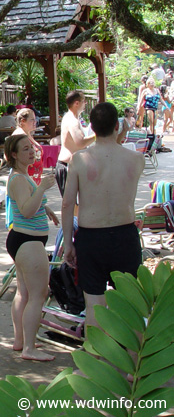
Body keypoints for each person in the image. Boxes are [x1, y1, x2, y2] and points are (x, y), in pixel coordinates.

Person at [61, 102, 144, 331]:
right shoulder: (136, 159)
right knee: (129, 304)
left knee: (94, 304)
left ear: (92, 129)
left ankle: (96, 362)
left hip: (91, 237)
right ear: (117, 125)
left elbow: (68, 204)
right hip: (125, 234)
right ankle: (130, 363)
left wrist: (68, 243)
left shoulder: (78, 159)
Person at [4, 134, 59, 362]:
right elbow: (26, 209)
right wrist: (43, 187)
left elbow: (28, 204)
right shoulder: (18, 178)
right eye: (25, 149)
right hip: (27, 241)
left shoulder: (22, 176)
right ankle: (29, 348)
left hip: (24, 239)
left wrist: (45, 209)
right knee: (38, 295)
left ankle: (21, 341)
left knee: (24, 293)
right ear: (14, 155)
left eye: (31, 148)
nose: (31, 152)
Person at [56, 91, 95, 196]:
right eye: (83, 101)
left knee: (79, 205)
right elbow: (80, 143)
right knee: (73, 206)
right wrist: (98, 135)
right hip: (68, 166)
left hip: (73, 165)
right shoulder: (72, 120)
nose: (85, 103)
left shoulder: (72, 118)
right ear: (76, 103)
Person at [12, 109, 43, 184]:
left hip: (33, 178)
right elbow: (9, 155)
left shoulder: (27, 134)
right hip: (24, 180)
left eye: (35, 120)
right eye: (32, 120)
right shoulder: (19, 135)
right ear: (23, 121)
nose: (35, 122)